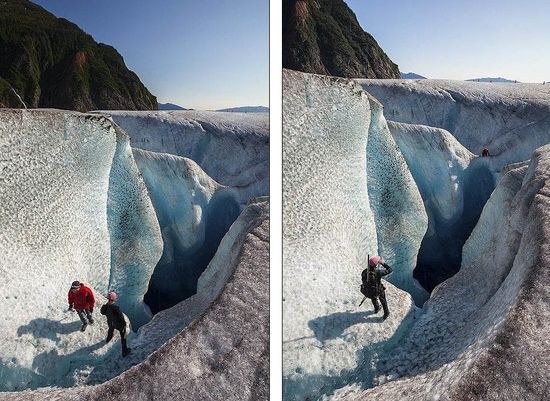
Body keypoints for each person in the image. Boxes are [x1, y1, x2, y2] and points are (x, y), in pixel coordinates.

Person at [360, 256, 393, 320]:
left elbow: (363, 281)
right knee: (383, 300)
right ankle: (386, 313)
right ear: (376, 265)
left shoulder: (364, 272)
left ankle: (377, 308)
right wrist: (383, 263)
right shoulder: (378, 272)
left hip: (369, 290)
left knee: (373, 298)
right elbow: (390, 270)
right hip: (378, 290)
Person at [100, 291, 131, 357]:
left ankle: (108, 339)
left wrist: (106, 305)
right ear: (114, 299)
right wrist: (124, 324)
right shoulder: (116, 308)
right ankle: (124, 351)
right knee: (123, 336)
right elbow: (121, 317)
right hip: (118, 324)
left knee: (110, 330)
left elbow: (102, 312)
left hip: (110, 323)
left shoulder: (105, 307)